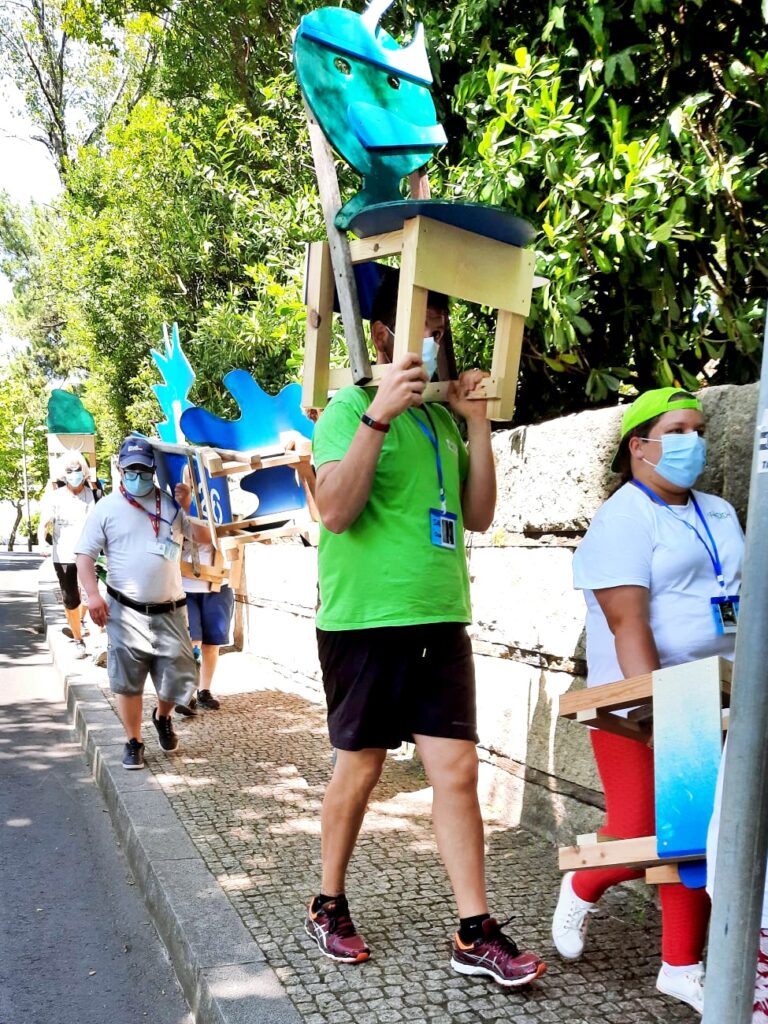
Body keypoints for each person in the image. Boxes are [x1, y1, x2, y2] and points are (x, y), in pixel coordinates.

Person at [304, 279, 546, 988]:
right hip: (364, 622)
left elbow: (474, 515)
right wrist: (379, 415)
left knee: (458, 772)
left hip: (440, 617)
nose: (433, 334)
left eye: (440, 321)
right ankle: (328, 902)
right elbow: (336, 513)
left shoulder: (441, 419)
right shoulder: (349, 408)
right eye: (420, 321)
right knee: (362, 767)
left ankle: (473, 930)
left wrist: (475, 423)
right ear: (381, 334)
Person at [551, 387, 744, 1014]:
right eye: (679, 429)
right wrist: (663, 711)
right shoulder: (624, 517)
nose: (696, 441)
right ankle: (583, 881)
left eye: (700, 428)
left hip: (725, 692)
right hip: (638, 703)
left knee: (699, 827)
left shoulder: (719, 512)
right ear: (640, 445)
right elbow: (626, 622)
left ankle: (680, 966)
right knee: (644, 832)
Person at [75, 436, 210, 770]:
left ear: (153, 469)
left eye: (144, 470)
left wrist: (188, 507)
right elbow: (84, 556)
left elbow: (203, 538)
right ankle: (133, 741)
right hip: (125, 610)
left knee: (179, 677)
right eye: (131, 470)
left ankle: (162, 716)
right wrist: (93, 596)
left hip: (171, 610)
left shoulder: (170, 503)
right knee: (129, 680)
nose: (138, 477)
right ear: (121, 470)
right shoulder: (106, 508)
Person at [38, 452, 100, 658]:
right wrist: (41, 542)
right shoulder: (56, 497)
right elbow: (44, 523)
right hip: (63, 555)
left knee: (89, 596)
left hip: (89, 554)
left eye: (77, 470)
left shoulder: (95, 495)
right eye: (69, 471)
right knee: (71, 598)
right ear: (64, 475)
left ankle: (83, 624)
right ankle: (77, 639)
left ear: (84, 472)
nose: (74, 475)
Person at [175, 539, 233, 715]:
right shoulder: (177, 511)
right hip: (186, 584)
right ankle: (187, 693)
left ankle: (204, 691)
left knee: (211, 642)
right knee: (192, 641)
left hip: (219, 582)